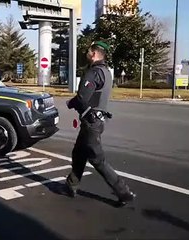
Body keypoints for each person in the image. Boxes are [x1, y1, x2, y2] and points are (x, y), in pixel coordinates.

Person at [65, 41, 136, 205]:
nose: (87, 54)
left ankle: (123, 192)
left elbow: (83, 98)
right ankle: (71, 185)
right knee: (79, 153)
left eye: (89, 51)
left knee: (97, 160)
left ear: (95, 54)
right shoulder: (106, 72)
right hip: (96, 120)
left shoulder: (94, 73)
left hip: (91, 123)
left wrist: (71, 103)